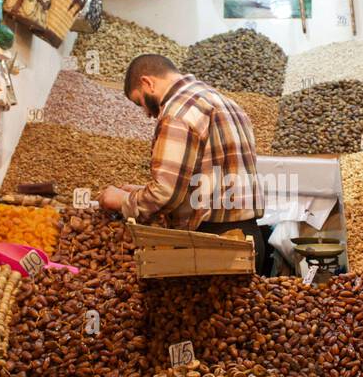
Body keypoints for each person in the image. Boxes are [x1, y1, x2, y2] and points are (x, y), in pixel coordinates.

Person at [101, 54, 267, 270]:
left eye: (139, 102)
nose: (147, 113)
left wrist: (122, 200)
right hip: (249, 237)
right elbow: (207, 180)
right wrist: (142, 190)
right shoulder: (224, 102)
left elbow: (166, 194)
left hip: (215, 247)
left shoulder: (178, 111)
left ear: (147, 83)